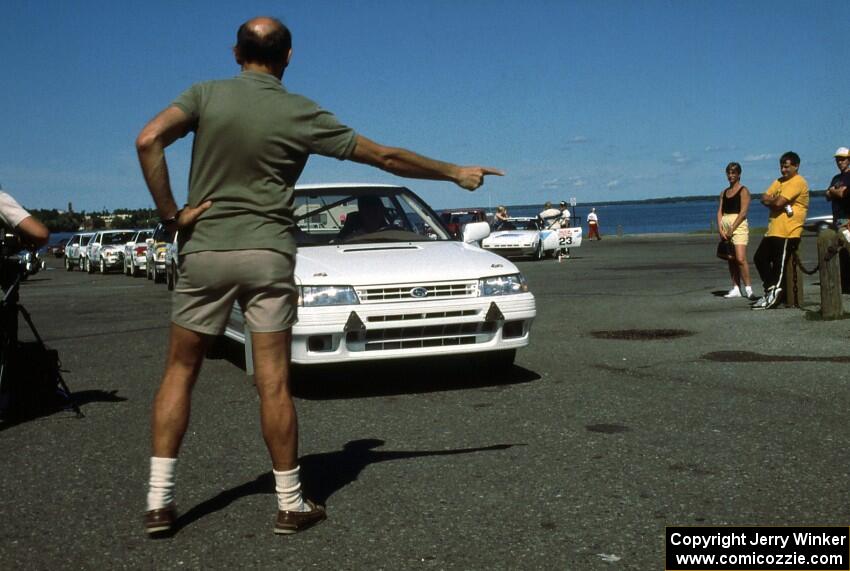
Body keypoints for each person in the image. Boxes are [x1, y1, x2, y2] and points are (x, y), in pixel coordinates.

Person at [136, 16, 502, 537]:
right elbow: (387, 157)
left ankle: (159, 503)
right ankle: (290, 503)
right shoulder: (301, 112)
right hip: (268, 254)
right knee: (274, 383)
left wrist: (173, 216)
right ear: (289, 57)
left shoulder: (204, 95)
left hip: (207, 251)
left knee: (180, 372)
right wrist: (454, 172)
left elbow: (148, 139)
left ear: (236, 53)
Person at [751, 152, 809, 310]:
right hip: (773, 230)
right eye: (781, 166)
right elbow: (764, 197)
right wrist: (774, 201)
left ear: (796, 166)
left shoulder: (798, 182)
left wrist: (775, 202)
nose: (783, 170)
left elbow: (778, 203)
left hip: (788, 232)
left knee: (779, 266)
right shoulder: (779, 181)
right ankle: (771, 289)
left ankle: (775, 294)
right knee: (759, 258)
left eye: (787, 166)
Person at [715, 162, 754, 299]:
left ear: (739, 174)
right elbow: (720, 211)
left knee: (740, 258)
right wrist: (720, 228)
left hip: (739, 226)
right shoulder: (724, 192)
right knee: (730, 258)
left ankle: (748, 288)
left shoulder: (744, 190)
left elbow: (743, 212)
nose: (730, 175)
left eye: (733, 173)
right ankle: (736, 287)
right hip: (725, 226)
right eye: (729, 173)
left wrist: (733, 228)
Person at [826, 147, 850, 238]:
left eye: (842, 159)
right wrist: (835, 191)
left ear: (849, 160)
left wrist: (832, 190)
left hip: (847, 220)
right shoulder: (836, 178)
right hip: (836, 219)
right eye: (837, 160)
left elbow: (842, 193)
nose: (840, 162)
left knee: (847, 242)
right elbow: (827, 196)